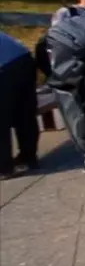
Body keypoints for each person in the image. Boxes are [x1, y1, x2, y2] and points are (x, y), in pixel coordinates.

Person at [0, 31, 39, 179]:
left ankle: (3, 168)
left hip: (5, 69)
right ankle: (28, 157)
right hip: (23, 59)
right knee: (24, 114)